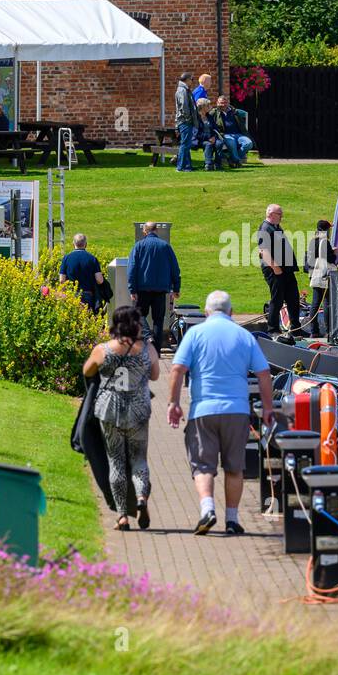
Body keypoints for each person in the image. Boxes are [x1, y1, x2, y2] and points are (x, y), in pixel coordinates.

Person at [168, 290, 275, 535]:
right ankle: (232, 519)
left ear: (206, 312)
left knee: (203, 466)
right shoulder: (244, 336)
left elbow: (177, 369)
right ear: (232, 313)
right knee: (234, 468)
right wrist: (268, 407)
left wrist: (173, 403)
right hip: (236, 410)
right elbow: (264, 373)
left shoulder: (195, 333)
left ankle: (207, 510)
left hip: (203, 410)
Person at [83, 306, 159, 531]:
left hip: (110, 411)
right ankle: (142, 498)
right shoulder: (147, 349)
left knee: (115, 461)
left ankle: (123, 516)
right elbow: (155, 375)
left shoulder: (103, 349)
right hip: (138, 411)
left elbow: (87, 370)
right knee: (139, 460)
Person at [127, 221, 181, 348]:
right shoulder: (166, 246)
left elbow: (132, 269)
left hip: (143, 289)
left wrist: (132, 289)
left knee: (138, 314)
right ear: (156, 230)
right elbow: (175, 269)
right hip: (161, 290)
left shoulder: (138, 246)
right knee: (158, 320)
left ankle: (147, 336)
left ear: (144, 231)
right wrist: (176, 288)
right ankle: (156, 351)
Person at [257, 203, 300, 336]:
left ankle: (295, 328)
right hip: (275, 270)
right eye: (279, 214)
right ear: (270, 214)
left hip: (286, 269)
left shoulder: (276, 227)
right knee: (277, 299)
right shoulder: (265, 228)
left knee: (293, 298)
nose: (282, 216)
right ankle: (273, 329)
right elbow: (263, 251)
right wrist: (276, 268)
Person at [304, 219, 336, 339]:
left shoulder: (312, 241)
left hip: (313, 274)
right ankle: (329, 331)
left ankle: (314, 331)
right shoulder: (325, 241)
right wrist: (335, 252)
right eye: (329, 229)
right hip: (323, 275)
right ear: (325, 230)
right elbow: (330, 259)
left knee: (315, 303)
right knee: (327, 302)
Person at [59, 233, 106, 309]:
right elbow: (99, 280)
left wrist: (63, 294)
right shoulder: (92, 259)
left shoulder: (66, 258)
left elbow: (61, 280)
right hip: (88, 295)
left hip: (71, 295)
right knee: (88, 318)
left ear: (73, 244)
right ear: (86, 244)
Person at [214, 95, 250, 163]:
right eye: (221, 103)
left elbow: (243, 118)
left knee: (248, 143)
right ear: (217, 103)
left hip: (238, 134)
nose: (223, 104)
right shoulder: (215, 112)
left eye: (225, 102)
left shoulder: (235, 112)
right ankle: (237, 161)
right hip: (226, 135)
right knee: (232, 143)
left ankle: (233, 158)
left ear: (228, 103)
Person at [174, 72, 198, 173]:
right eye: (191, 79)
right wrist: (188, 118)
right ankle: (180, 167)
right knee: (184, 144)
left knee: (186, 144)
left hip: (184, 121)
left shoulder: (183, 89)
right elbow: (184, 106)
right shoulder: (182, 90)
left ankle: (187, 166)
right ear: (187, 79)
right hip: (185, 121)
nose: (192, 81)